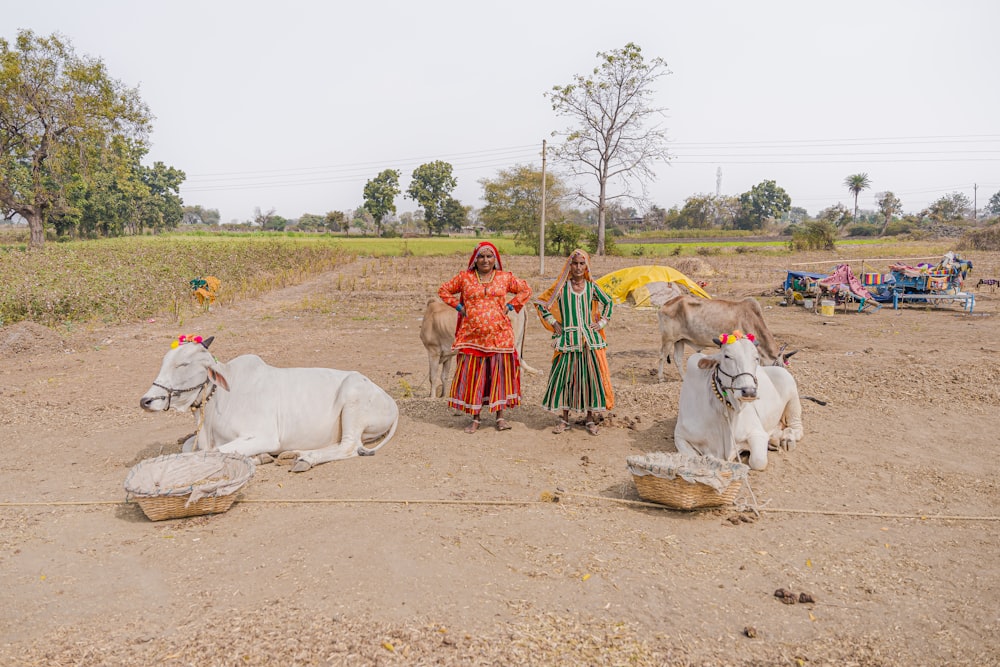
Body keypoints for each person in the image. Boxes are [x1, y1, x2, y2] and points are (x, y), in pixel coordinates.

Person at [437, 241, 532, 433]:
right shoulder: (465, 278)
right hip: (472, 337)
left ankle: (500, 418)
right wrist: (459, 308)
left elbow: (526, 290)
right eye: (481, 256)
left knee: (500, 376)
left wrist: (511, 306)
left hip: (500, 336)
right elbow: (443, 290)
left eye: (489, 256)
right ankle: (476, 418)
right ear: (475, 259)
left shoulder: (505, 278)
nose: (485, 260)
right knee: (475, 377)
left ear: (495, 259)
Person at [534, 249, 614, 436]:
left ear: (587, 266)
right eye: (575, 263)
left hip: (588, 340)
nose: (578, 267)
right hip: (567, 340)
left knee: (589, 379)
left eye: (582, 263)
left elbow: (609, 302)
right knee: (565, 378)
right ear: (569, 266)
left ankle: (589, 418)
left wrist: (602, 322)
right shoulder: (561, 287)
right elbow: (541, 303)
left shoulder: (592, 287)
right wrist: (554, 323)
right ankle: (564, 419)